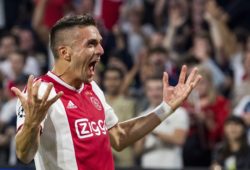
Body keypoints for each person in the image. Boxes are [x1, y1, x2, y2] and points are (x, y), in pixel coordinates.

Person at [11, 14, 201, 170]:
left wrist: (165, 108)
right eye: (91, 44)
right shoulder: (41, 90)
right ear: (65, 53)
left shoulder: (92, 88)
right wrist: (32, 124)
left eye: (100, 43)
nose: (101, 50)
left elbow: (119, 137)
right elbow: (24, 155)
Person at [134, 76, 189, 169]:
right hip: (148, 165)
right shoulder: (142, 115)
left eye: (158, 89)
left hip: (171, 165)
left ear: (165, 90)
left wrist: (151, 130)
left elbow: (179, 139)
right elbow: (137, 152)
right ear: (146, 92)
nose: (154, 93)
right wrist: (142, 137)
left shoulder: (179, 112)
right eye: (150, 90)